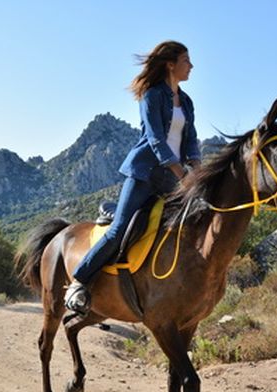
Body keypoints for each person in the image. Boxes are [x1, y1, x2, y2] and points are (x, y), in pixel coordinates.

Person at [64, 40, 201, 314]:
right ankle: (79, 282)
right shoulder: (152, 95)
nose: (192, 66)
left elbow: (191, 140)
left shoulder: (185, 101)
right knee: (119, 230)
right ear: (170, 64)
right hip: (145, 174)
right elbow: (155, 139)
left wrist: (197, 171)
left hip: (173, 180)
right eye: (186, 60)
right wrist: (179, 172)